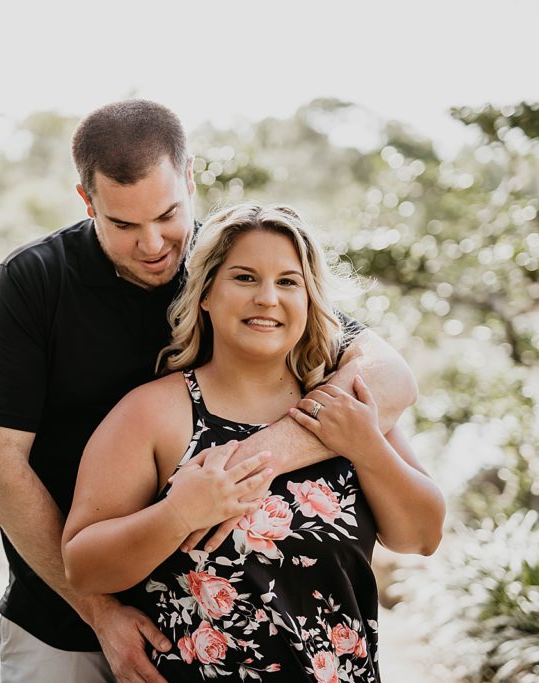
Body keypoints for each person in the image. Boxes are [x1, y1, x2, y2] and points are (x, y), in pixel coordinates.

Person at [0, 100, 419, 683]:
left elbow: (390, 378)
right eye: (123, 225)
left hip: (203, 633)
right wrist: (100, 614)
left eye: (168, 215)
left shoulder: (230, 265)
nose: (152, 243)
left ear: (191, 178)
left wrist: (245, 466)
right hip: (62, 617)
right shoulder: (35, 282)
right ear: (86, 200)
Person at [62, 202, 445, 681]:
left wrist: (367, 446)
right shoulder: (154, 414)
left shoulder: (346, 403)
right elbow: (84, 567)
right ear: (205, 293)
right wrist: (177, 513)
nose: (267, 298)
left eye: (288, 282)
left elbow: (421, 537)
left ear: (310, 300)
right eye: (244, 277)